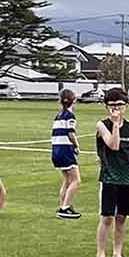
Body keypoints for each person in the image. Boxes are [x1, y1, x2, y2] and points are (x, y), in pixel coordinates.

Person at [92, 87, 129, 257]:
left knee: (122, 217)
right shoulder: (102, 125)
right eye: (112, 105)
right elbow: (113, 145)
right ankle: (100, 254)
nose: (116, 109)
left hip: (127, 176)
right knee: (107, 216)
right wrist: (116, 125)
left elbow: (127, 151)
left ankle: (118, 253)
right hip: (109, 177)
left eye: (120, 105)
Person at [50, 89, 81, 219]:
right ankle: (65, 208)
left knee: (67, 180)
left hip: (56, 151)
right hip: (65, 150)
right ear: (74, 100)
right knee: (76, 180)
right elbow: (70, 133)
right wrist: (76, 145)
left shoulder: (58, 115)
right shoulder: (70, 116)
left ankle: (63, 204)